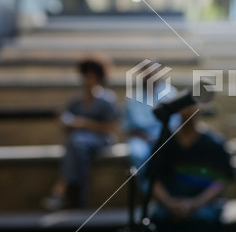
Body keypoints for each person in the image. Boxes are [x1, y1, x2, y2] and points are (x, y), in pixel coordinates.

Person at [43, 56, 119, 210]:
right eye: (85, 76)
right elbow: (68, 125)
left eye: (91, 76)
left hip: (101, 140)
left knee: (77, 142)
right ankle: (78, 197)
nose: (87, 80)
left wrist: (83, 123)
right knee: (78, 147)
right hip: (79, 144)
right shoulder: (76, 100)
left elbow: (110, 127)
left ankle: (61, 188)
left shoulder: (107, 99)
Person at [148, 105, 235, 231]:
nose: (186, 111)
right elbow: (153, 179)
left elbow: (222, 181)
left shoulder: (214, 143)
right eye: (184, 107)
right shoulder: (165, 143)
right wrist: (169, 203)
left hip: (206, 206)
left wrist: (195, 203)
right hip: (168, 206)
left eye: (190, 107)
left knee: (203, 221)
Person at [123, 64, 180, 196]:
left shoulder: (171, 93)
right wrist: (146, 138)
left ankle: (169, 190)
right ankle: (147, 190)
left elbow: (176, 124)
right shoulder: (132, 96)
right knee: (137, 153)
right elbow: (128, 127)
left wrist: (162, 137)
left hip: (165, 137)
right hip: (140, 139)